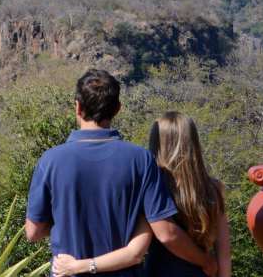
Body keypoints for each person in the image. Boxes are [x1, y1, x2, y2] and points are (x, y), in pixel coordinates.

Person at [25, 69, 217, 276]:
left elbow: (33, 232)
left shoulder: (51, 160)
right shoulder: (140, 160)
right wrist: (206, 260)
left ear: (78, 107)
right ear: (117, 109)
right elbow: (166, 233)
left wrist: (65, 222)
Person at [52, 112, 232, 277]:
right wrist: (208, 262)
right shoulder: (213, 188)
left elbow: (137, 250)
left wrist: (79, 266)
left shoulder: (153, 187)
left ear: (156, 143)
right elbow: (224, 255)